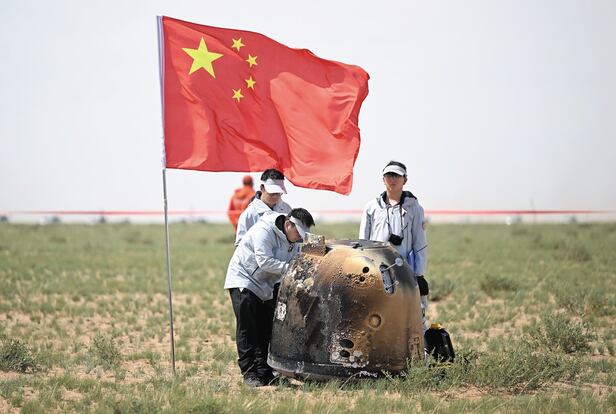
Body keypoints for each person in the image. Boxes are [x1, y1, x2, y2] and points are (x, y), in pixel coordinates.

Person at [224, 208, 315, 387]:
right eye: (298, 232)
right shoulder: (263, 231)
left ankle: (265, 373)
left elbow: (295, 260)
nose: (299, 237)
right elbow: (264, 261)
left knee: (266, 329)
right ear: (288, 224)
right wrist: (292, 268)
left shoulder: (294, 240)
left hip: (266, 285)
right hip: (245, 280)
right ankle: (250, 373)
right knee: (248, 329)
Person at [359, 160, 429, 331]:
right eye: (389, 175)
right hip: (377, 269)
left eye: (397, 175)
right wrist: (363, 268)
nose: (393, 179)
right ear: (383, 179)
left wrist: (419, 274)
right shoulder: (371, 207)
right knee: (377, 312)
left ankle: (419, 345)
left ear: (405, 179)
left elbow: (420, 243)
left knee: (412, 312)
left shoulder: (414, 207)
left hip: (404, 268)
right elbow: (363, 242)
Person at [235, 169, 292, 246]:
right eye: (272, 193)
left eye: (278, 193)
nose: (276, 196)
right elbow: (241, 245)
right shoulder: (249, 214)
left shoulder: (286, 209)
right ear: (262, 188)